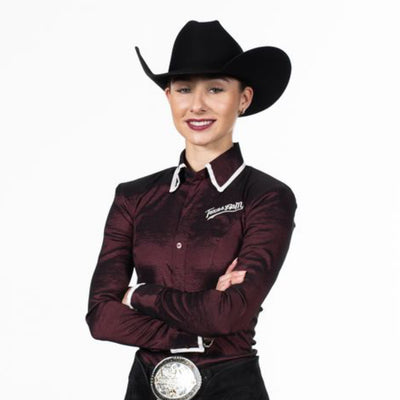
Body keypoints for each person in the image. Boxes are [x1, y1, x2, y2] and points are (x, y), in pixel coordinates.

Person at [86, 20, 297, 400]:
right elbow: (101, 317)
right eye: (184, 89)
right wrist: (194, 334)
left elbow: (228, 314)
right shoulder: (133, 197)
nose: (197, 105)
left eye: (215, 89)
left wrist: (138, 295)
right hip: (145, 388)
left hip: (232, 387)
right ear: (169, 97)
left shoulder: (267, 197)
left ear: (243, 99)